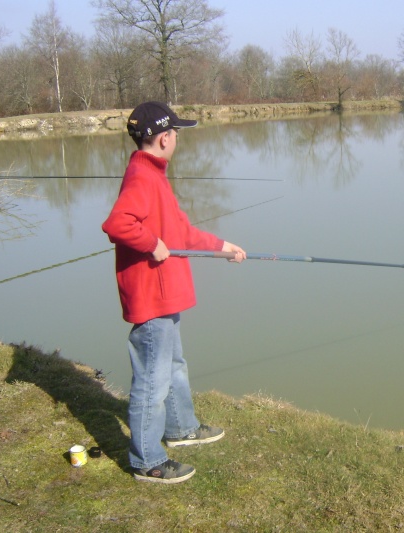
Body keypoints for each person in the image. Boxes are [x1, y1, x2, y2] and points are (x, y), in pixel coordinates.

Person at [102, 101, 246, 484]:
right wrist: (151, 242)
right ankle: (147, 460)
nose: (178, 138)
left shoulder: (153, 175)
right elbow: (118, 223)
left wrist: (221, 246)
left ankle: (181, 429)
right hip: (152, 299)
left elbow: (181, 231)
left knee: (174, 367)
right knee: (152, 378)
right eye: (177, 132)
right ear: (164, 138)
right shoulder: (142, 178)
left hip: (166, 296)